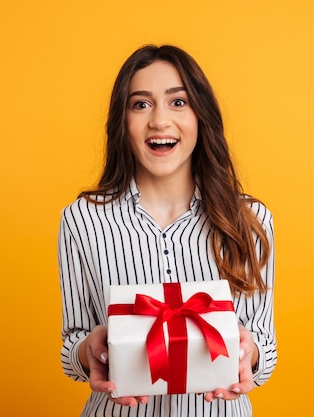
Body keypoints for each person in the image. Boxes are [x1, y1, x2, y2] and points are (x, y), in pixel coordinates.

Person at [58, 44, 276, 417]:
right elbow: (72, 343)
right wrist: (88, 348)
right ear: (122, 122)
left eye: (178, 102)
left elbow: (265, 349)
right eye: (140, 104)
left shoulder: (250, 220)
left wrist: (248, 351)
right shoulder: (83, 220)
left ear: (201, 116)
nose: (159, 120)